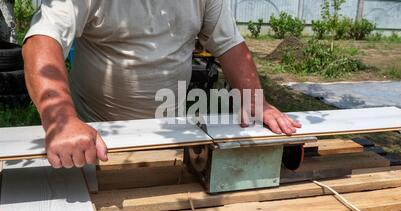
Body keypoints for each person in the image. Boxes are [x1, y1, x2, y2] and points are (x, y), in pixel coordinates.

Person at [22, 0, 301, 169]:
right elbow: (43, 39)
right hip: (91, 142)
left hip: (170, 137)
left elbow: (230, 45)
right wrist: (62, 121)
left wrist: (257, 103)